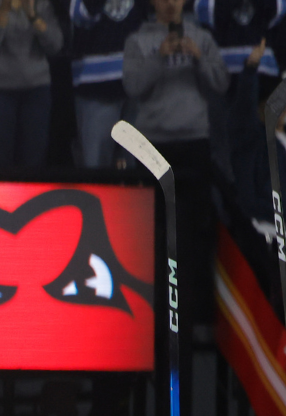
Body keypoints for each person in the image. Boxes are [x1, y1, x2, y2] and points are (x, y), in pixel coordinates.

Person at [123, 0, 229, 327]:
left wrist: (199, 59)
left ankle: (193, 316)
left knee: (193, 234)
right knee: (152, 233)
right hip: (153, 144)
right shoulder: (137, 40)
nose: (170, 4)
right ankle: (151, 314)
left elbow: (221, 84)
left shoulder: (203, 37)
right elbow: (132, 87)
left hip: (194, 142)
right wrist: (159, 58)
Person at [69, 0, 146, 167]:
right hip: (96, 85)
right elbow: (79, 15)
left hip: (137, 83)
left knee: (136, 172)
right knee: (96, 169)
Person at [0, 0, 60, 166]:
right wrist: (3, 12)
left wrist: (33, 17)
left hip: (36, 88)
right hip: (3, 89)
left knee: (34, 157)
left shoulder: (41, 5)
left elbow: (56, 44)